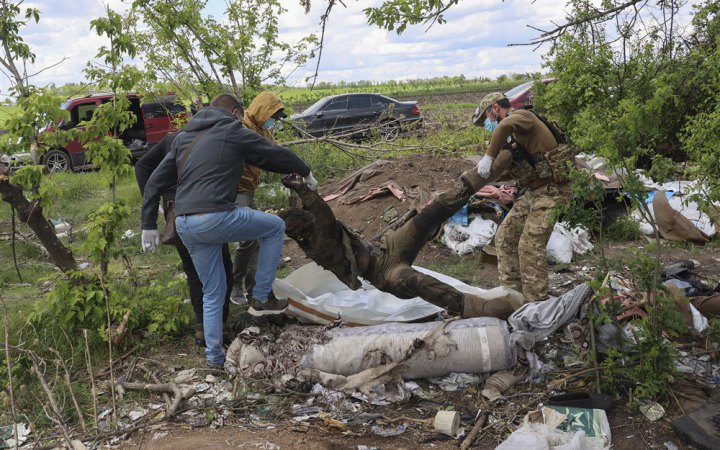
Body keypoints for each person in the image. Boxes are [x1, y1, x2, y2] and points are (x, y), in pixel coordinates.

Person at [140, 93, 315, 369]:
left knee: (212, 291)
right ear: (235, 112)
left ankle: (214, 359)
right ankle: (261, 296)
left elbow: (153, 181)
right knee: (274, 227)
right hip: (215, 216)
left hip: (185, 223)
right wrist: (304, 170)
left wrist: (148, 224)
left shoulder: (184, 138)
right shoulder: (231, 129)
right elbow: (271, 154)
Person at [278, 162, 520, 319]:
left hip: (386, 247)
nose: (308, 217)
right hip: (384, 273)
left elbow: (306, 212)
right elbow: (322, 213)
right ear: (304, 230)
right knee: (420, 283)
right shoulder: (321, 242)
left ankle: (486, 171)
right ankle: (478, 308)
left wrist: (294, 181)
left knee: (433, 212)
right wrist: (304, 190)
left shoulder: (308, 229)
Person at [134, 132, 233, 347]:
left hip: (176, 211)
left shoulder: (173, 138)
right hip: (204, 208)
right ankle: (218, 326)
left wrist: (152, 199)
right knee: (222, 267)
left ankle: (202, 327)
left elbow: (142, 166)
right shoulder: (214, 138)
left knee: (194, 270)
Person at [473, 92, 574, 302]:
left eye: (486, 118)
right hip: (533, 193)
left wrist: (488, 156)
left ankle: (536, 305)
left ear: (494, 108)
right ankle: (513, 298)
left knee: (529, 246)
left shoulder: (523, 118)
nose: (487, 124)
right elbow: (508, 170)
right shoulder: (512, 139)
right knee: (505, 238)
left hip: (553, 191)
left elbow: (502, 126)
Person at [230, 91, 288, 305]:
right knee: (248, 239)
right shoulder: (241, 126)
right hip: (237, 190)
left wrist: (292, 166)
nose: (273, 121)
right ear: (263, 110)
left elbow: (273, 151)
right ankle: (236, 286)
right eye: (273, 115)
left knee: (256, 237)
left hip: (249, 189)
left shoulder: (262, 130)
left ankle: (253, 287)